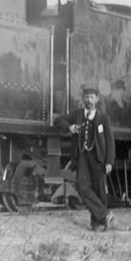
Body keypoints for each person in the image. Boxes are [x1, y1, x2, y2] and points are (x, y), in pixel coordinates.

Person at [55, 85, 115, 231]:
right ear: (83, 99)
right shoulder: (77, 114)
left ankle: (97, 223)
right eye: (86, 97)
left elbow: (110, 141)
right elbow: (59, 120)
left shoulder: (103, 118)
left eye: (92, 97)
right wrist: (69, 127)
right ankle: (104, 214)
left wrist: (109, 161)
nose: (89, 100)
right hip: (82, 155)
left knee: (99, 189)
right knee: (82, 187)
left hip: (98, 157)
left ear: (97, 99)